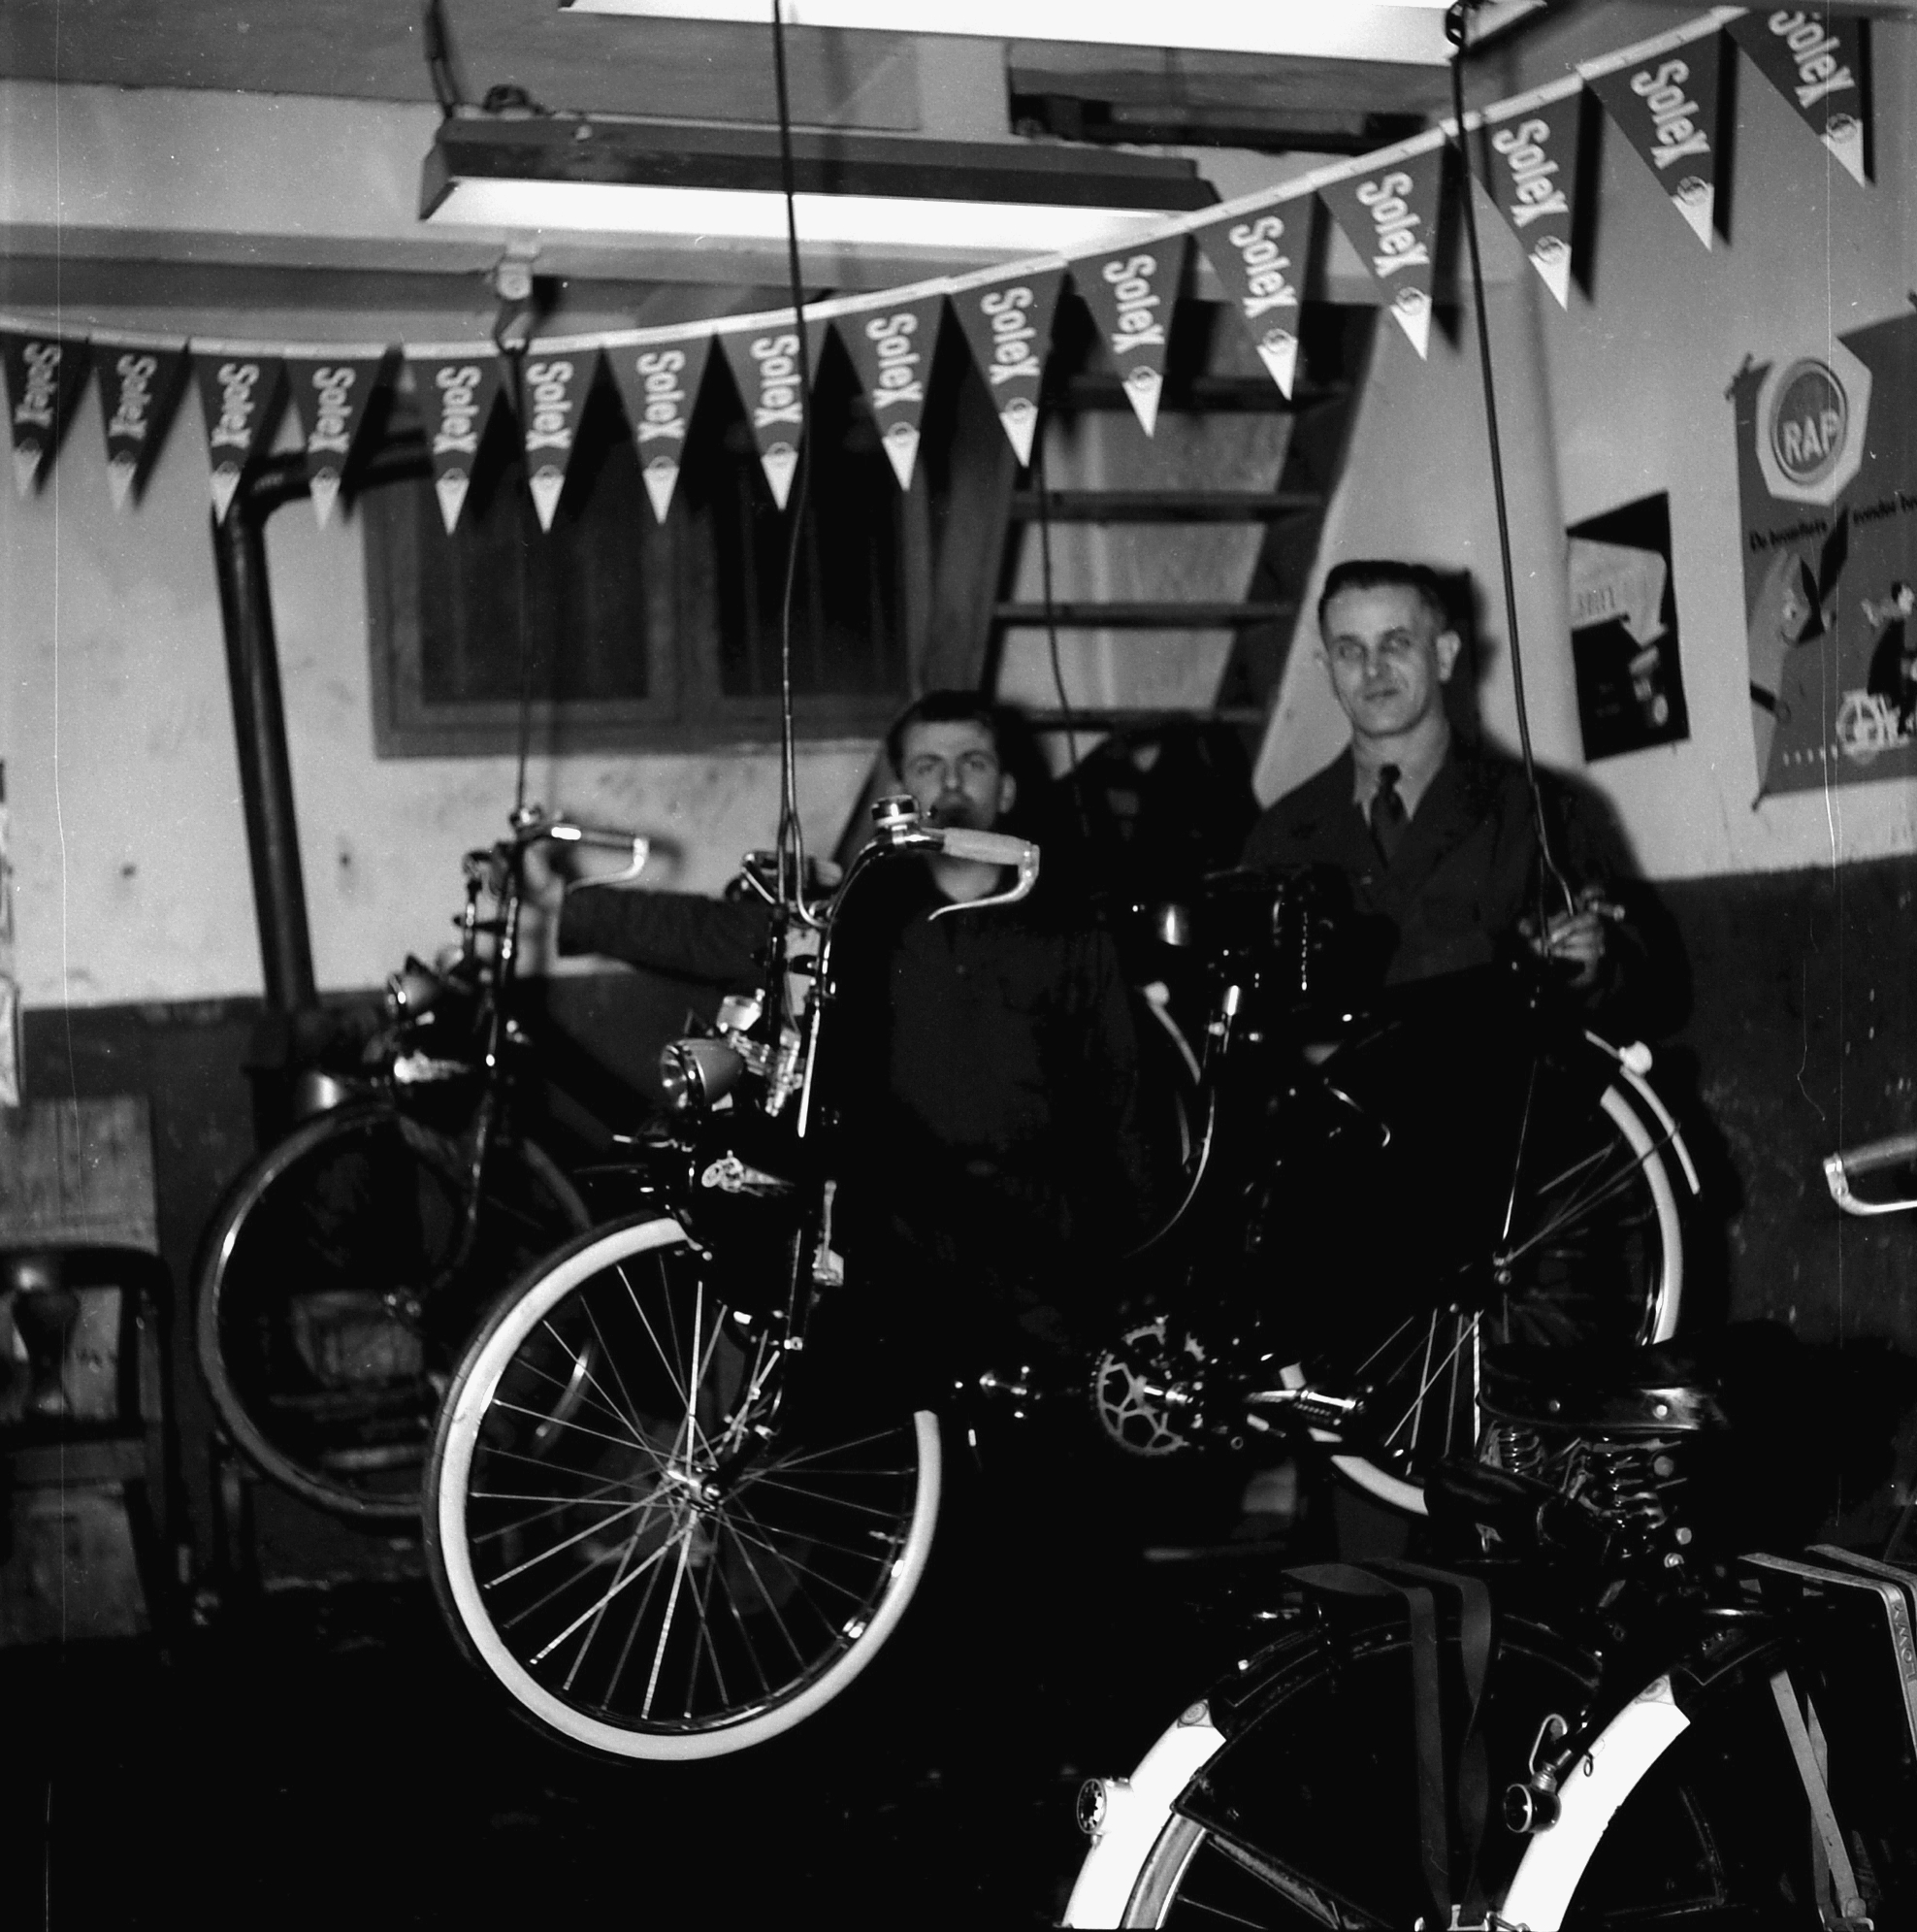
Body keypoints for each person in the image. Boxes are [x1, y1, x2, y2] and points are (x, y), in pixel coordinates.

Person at [540, 690, 1158, 1384]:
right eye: (928, 766)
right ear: (901, 794)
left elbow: (1123, 1099)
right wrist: (575, 908)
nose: (952, 783)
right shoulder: (859, 920)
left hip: (1037, 1244)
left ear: (1007, 789)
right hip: (900, 1244)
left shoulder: (1072, 931)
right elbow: (715, 933)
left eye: (974, 762)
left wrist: (1142, 1271)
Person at [1242, 558, 1645, 1012]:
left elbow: (1648, 980)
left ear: (1445, 655)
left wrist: (1592, 967)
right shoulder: (1280, 834)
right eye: (1349, 651)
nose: (1373, 670)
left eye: (1396, 643)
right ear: (1327, 668)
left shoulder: (1535, 807)